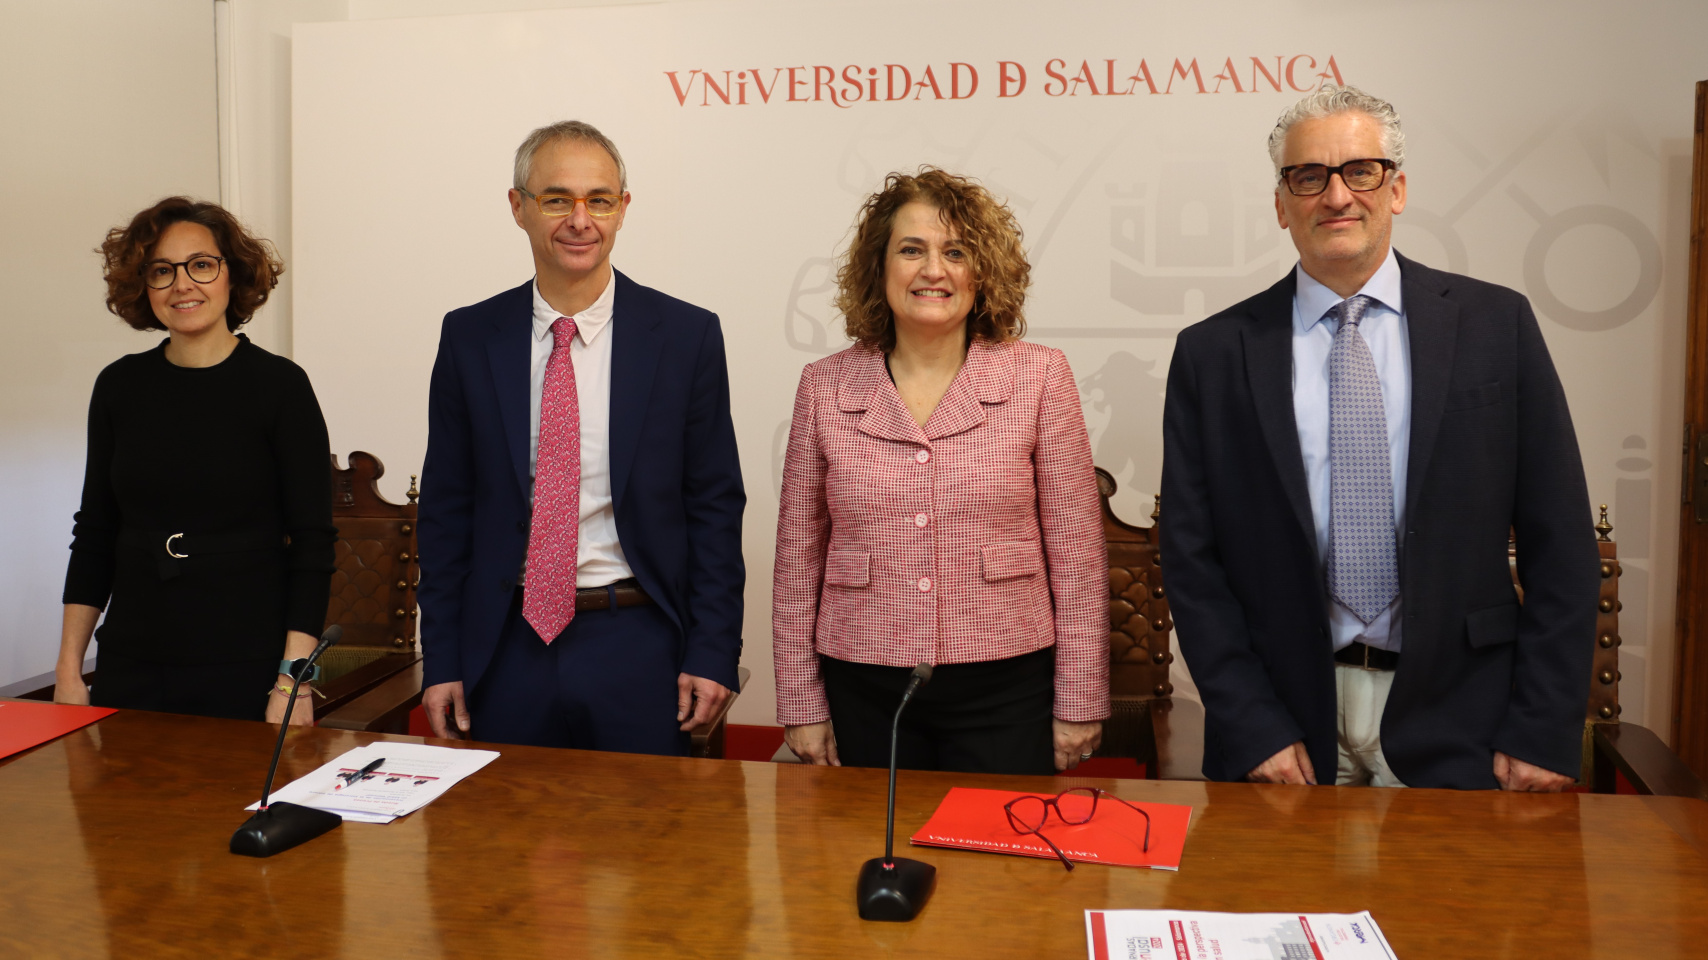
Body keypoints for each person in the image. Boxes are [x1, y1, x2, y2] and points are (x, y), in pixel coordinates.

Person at [1160, 85, 1599, 791]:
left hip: (1464, 718)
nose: (1336, 196)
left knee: (1456, 907)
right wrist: (1251, 724)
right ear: (1281, 203)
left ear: (1396, 189)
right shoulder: (1214, 353)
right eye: (1309, 176)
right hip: (1284, 729)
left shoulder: (1496, 326)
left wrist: (1543, 729)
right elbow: (1191, 560)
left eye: (1360, 171)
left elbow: (1562, 542)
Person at [418, 121, 745, 754]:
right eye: (556, 199)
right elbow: (446, 510)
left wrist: (713, 650)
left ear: (623, 209)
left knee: (649, 846)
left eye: (599, 200)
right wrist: (443, 659)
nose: (579, 219)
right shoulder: (469, 337)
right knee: (497, 842)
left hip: (641, 644)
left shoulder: (685, 337)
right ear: (518, 207)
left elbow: (713, 507)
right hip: (504, 646)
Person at [773, 167, 1108, 775]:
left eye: (955, 252)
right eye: (912, 250)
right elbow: (799, 559)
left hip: (1006, 686)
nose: (934, 270)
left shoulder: (1040, 377)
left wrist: (1081, 696)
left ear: (982, 271)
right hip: (864, 685)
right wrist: (800, 701)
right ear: (880, 267)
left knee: (997, 869)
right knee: (870, 859)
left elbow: (1077, 553)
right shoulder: (823, 387)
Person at [53, 197, 336, 723]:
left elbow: (313, 544)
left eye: (201, 265)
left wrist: (293, 683)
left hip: (246, 667)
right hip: (130, 662)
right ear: (144, 286)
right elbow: (94, 531)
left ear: (234, 274)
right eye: (162, 270)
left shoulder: (280, 387)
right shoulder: (119, 386)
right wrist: (69, 668)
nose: (183, 284)